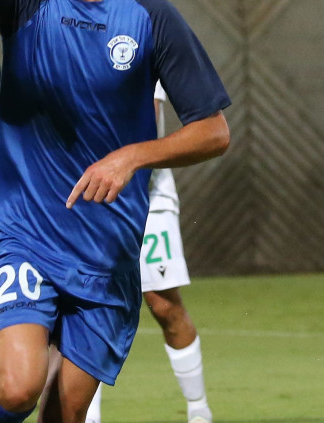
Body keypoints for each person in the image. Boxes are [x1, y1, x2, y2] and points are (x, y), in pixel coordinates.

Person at [0, 0, 231, 422]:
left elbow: (213, 131)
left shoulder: (151, 16)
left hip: (107, 249)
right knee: (17, 388)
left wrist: (132, 157)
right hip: (25, 229)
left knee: (64, 413)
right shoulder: (29, 5)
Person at [85, 82, 212, 423]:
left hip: (148, 197)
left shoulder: (140, 52)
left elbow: (147, 124)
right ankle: (88, 417)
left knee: (163, 303)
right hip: (89, 195)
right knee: (87, 304)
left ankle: (199, 411)